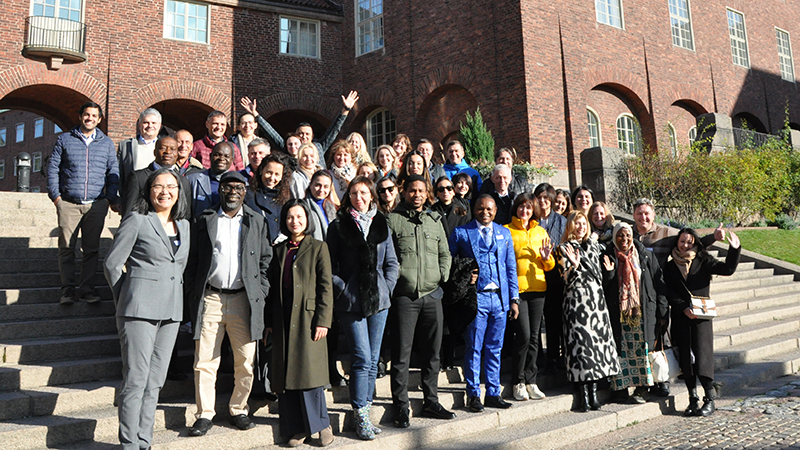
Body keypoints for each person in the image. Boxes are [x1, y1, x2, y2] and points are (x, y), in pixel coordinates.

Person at [104, 168, 190, 450]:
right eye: (158, 186)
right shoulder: (137, 220)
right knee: (136, 379)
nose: (165, 191)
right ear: (149, 191)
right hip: (138, 310)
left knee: (155, 382)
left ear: (179, 192)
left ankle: (145, 440)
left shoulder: (184, 226)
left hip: (171, 312)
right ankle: (129, 443)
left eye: (171, 186)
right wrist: (126, 297)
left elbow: (179, 268)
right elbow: (113, 264)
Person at [184, 171, 272, 436]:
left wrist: (261, 290)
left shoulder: (256, 220)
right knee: (205, 361)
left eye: (238, 187)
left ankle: (238, 408)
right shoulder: (206, 219)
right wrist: (192, 292)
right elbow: (193, 260)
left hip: (243, 299)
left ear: (245, 192)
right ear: (219, 190)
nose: (232, 191)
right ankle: (205, 414)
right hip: (210, 297)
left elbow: (265, 260)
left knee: (245, 360)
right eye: (227, 187)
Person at [326, 176, 399, 439]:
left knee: (372, 361)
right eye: (354, 193)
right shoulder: (338, 226)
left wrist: (386, 287)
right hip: (351, 302)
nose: (359, 197)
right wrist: (343, 290)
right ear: (349, 197)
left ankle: (366, 412)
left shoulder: (382, 224)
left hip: (379, 300)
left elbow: (392, 263)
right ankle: (360, 414)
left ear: (371, 195)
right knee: (361, 358)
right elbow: (330, 267)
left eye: (364, 193)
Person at [387, 175, 455, 428]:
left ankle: (431, 401)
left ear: (427, 193)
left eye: (421, 191)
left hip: (432, 295)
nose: (417, 194)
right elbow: (386, 256)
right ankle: (401, 406)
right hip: (405, 297)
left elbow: (445, 253)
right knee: (402, 354)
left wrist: (442, 276)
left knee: (433, 353)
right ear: (404, 193)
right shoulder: (392, 220)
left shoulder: (435, 220)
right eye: (412, 191)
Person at [266, 199, 334, 447]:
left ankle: (321, 424)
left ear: (307, 219)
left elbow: (326, 287)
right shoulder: (279, 250)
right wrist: (269, 322)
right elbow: (273, 289)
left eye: (299, 216)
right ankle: (297, 428)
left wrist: (323, 320)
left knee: (309, 374)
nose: (295, 221)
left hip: (308, 319)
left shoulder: (318, 247)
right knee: (287, 376)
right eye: (290, 217)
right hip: (283, 318)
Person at [449, 195, 519, 412]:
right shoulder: (462, 233)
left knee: (495, 347)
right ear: (474, 209)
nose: (485, 212)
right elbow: (450, 264)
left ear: (496, 210)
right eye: (480, 209)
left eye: (489, 209)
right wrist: (464, 277)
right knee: (474, 347)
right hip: (476, 298)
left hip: (499, 298)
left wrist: (514, 299)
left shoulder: (504, 233)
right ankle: (473, 394)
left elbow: (510, 269)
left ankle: (493, 392)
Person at [47, 101, 120, 304]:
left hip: (96, 204)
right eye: (86, 115)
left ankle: (87, 289)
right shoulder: (65, 140)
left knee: (91, 249)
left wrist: (108, 198)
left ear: (99, 119)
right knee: (66, 248)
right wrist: (56, 197)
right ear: (80, 117)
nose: (90, 118)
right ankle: (68, 290)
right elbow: (53, 168)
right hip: (68, 203)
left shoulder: (106, 143)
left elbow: (113, 172)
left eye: (94, 116)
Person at [664, 227, 740, 417]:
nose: (685, 245)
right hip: (682, 316)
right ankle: (692, 399)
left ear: (695, 243)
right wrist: (682, 307)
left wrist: (734, 249)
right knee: (685, 358)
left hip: (702, 317)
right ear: (677, 243)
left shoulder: (703, 259)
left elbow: (727, 269)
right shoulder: (670, 266)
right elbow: (668, 291)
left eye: (689, 242)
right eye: (682, 241)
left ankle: (709, 398)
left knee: (703, 356)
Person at [555, 211, 619, 412]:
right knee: (581, 348)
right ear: (570, 227)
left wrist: (609, 272)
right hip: (576, 302)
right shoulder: (563, 248)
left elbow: (600, 275)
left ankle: (594, 394)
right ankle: (583, 396)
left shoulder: (595, 247)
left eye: (583, 223)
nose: (581, 227)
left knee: (596, 348)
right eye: (577, 223)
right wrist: (573, 266)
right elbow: (563, 279)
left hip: (596, 302)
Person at [601, 223, 668, 405]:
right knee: (621, 352)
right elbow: (604, 287)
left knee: (640, 352)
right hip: (619, 314)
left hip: (641, 312)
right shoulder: (607, 256)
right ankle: (620, 388)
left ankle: (642, 388)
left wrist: (662, 310)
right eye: (620, 236)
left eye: (627, 236)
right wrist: (610, 273)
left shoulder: (645, 256)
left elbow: (658, 283)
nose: (624, 240)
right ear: (615, 237)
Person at [505, 193, 554, 402]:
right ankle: (518, 381)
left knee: (534, 337)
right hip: (518, 291)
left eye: (528, 207)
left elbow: (550, 265)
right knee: (523, 336)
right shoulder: (507, 231)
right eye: (521, 207)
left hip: (538, 289)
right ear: (515, 209)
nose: (524, 211)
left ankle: (532, 380)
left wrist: (546, 259)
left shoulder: (540, 231)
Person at [240, 91, 358, 168]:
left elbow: (334, 129)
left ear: (312, 137)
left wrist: (345, 110)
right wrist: (255, 114)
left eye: (307, 134)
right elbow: (271, 133)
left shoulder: (319, 147)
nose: (304, 136)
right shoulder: (290, 148)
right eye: (300, 133)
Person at [533, 183, 567, 374]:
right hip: (535, 275)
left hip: (556, 276)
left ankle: (555, 356)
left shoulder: (561, 221)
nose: (543, 201)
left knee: (554, 318)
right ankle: (539, 357)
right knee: (537, 320)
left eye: (547, 198)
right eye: (540, 197)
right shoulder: (531, 220)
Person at [121, 136, 190, 216]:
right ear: (154, 152)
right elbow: (128, 212)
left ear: (177, 154)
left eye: (172, 149)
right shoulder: (138, 178)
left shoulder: (184, 181)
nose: (168, 152)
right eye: (163, 148)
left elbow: (186, 214)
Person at [245, 153, 292, 244]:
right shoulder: (248, 195)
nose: (272, 178)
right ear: (261, 171)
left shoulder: (285, 198)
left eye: (277, 174)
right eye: (269, 172)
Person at [118, 108, 162, 189]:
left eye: (153, 123)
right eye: (146, 122)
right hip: (132, 194)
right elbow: (119, 174)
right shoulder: (125, 146)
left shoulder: (164, 146)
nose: (150, 126)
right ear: (139, 125)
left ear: (159, 126)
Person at [186, 142, 234, 217]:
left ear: (232, 160)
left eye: (226, 156)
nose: (221, 159)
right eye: (217, 155)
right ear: (210, 156)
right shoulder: (192, 180)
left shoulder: (238, 184)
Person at [301, 170, 339, 241]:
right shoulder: (302, 208)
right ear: (310, 185)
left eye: (326, 187)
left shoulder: (334, 209)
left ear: (330, 189)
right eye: (318, 185)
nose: (321, 190)